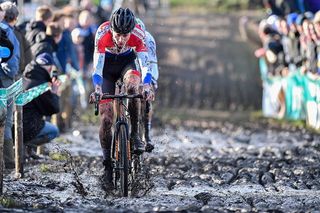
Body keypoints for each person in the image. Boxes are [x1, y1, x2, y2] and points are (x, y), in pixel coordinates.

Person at [89, 7, 153, 184]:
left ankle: (134, 135)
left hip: (127, 63)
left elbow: (145, 65)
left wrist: (146, 86)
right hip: (107, 69)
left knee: (134, 88)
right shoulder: (102, 33)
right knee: (106, 119)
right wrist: (98, 89)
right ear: (111, 29)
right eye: (118, 34)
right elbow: (97, 68)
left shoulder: (138, 35)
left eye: (125, 35)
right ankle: (107, 165)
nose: (121, 39)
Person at [22, 53, 60, 155]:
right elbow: (53, 109)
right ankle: (24, 146)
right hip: (28, 125)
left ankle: (25, 149)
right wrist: (54, 93)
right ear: (49, 68)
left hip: (17, 122)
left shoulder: (26, 75)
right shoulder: (41, 84)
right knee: (54, 131)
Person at [0, 1, 20, 169]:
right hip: (5, 79)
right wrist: (10, 74)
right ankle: (8, 161)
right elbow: (11, 60)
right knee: (6, 120)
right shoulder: (8, 32)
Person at [135, 17, 159, 152]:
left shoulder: (148, 39)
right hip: (128, 67)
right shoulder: (124, 37)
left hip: (146, 67)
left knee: (146, 98)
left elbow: (152, 63)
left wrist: (151, 82)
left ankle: (147, 134)